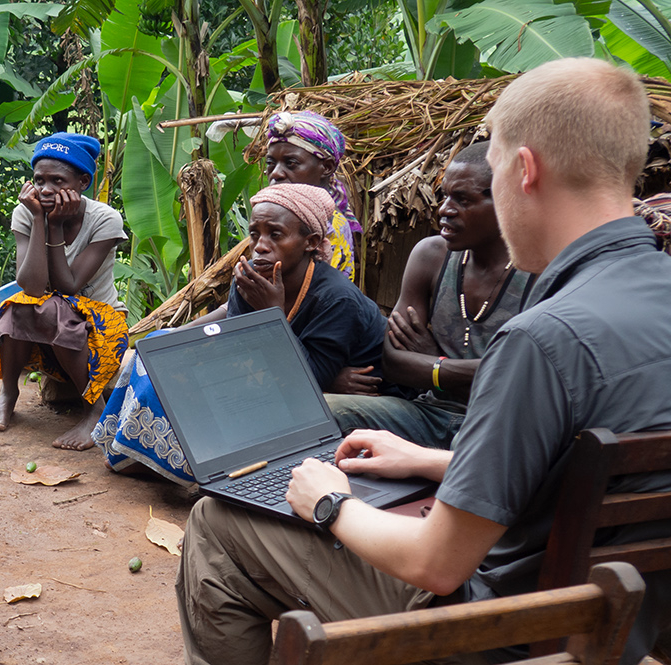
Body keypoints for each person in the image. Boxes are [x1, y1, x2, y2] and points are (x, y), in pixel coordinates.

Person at [178, 58, 671, 665]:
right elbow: (571, 468)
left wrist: (329, 502)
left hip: (498, 627)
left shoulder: (541, 340)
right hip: (626, 615)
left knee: (215, 523)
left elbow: (435, 565)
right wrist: (433, 459)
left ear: (523, 171)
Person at [95, 183, 389, 485]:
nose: (260, 245)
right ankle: (141, 447)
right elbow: (232, 352)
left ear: (311, 242)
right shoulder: (250, 280)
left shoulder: (336, 298)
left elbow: (307, 386)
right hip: (281, 378)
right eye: (255, 234)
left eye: (275, 234)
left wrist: (270, 315)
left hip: (337, 402)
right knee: (162, 351)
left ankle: (183, 464)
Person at [325, 142, 535, 449]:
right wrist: (475, 370)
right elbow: (395, 363)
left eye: (462, 199)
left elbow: (521, 385)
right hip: (428, 413)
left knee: (480, 451)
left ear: (506, 199)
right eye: (444, 196)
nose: (444, 209)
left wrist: (434, 361)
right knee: (323, 412)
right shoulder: (431, 256)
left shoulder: (539, 270)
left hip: (499, 425)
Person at [0, 132, 129, 451]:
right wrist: (39, 219)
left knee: (54, 307)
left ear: (82, 182)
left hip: (100, 325)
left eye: (58, 181)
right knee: (20, 305)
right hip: (47, 320)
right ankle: (8, 393)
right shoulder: (27, 212)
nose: (46, 190)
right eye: (39, 180)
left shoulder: (105, 220)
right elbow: (31, 285)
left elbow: (68, 287)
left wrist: (55, 225)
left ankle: (94, 411)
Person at [263, 110, 361, 280]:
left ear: (327, 167)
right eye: (271, 163)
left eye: (291, 163)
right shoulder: (280, 217)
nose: (276, 173)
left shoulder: (328, 227)